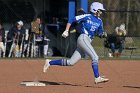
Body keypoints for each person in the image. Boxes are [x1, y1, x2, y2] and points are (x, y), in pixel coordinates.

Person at [43, 2, 109, 84]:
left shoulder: (100, 21)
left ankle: (49, 62)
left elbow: (100, 33)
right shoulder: (87, 16)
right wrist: (66, 30)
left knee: (71, 62)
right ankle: (97, 77)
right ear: (95, 10)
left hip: (88, 41)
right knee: (95, 57)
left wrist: (103, 34)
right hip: (83, 38)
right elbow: (72, 19)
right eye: (100, 10)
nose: (101, 12)